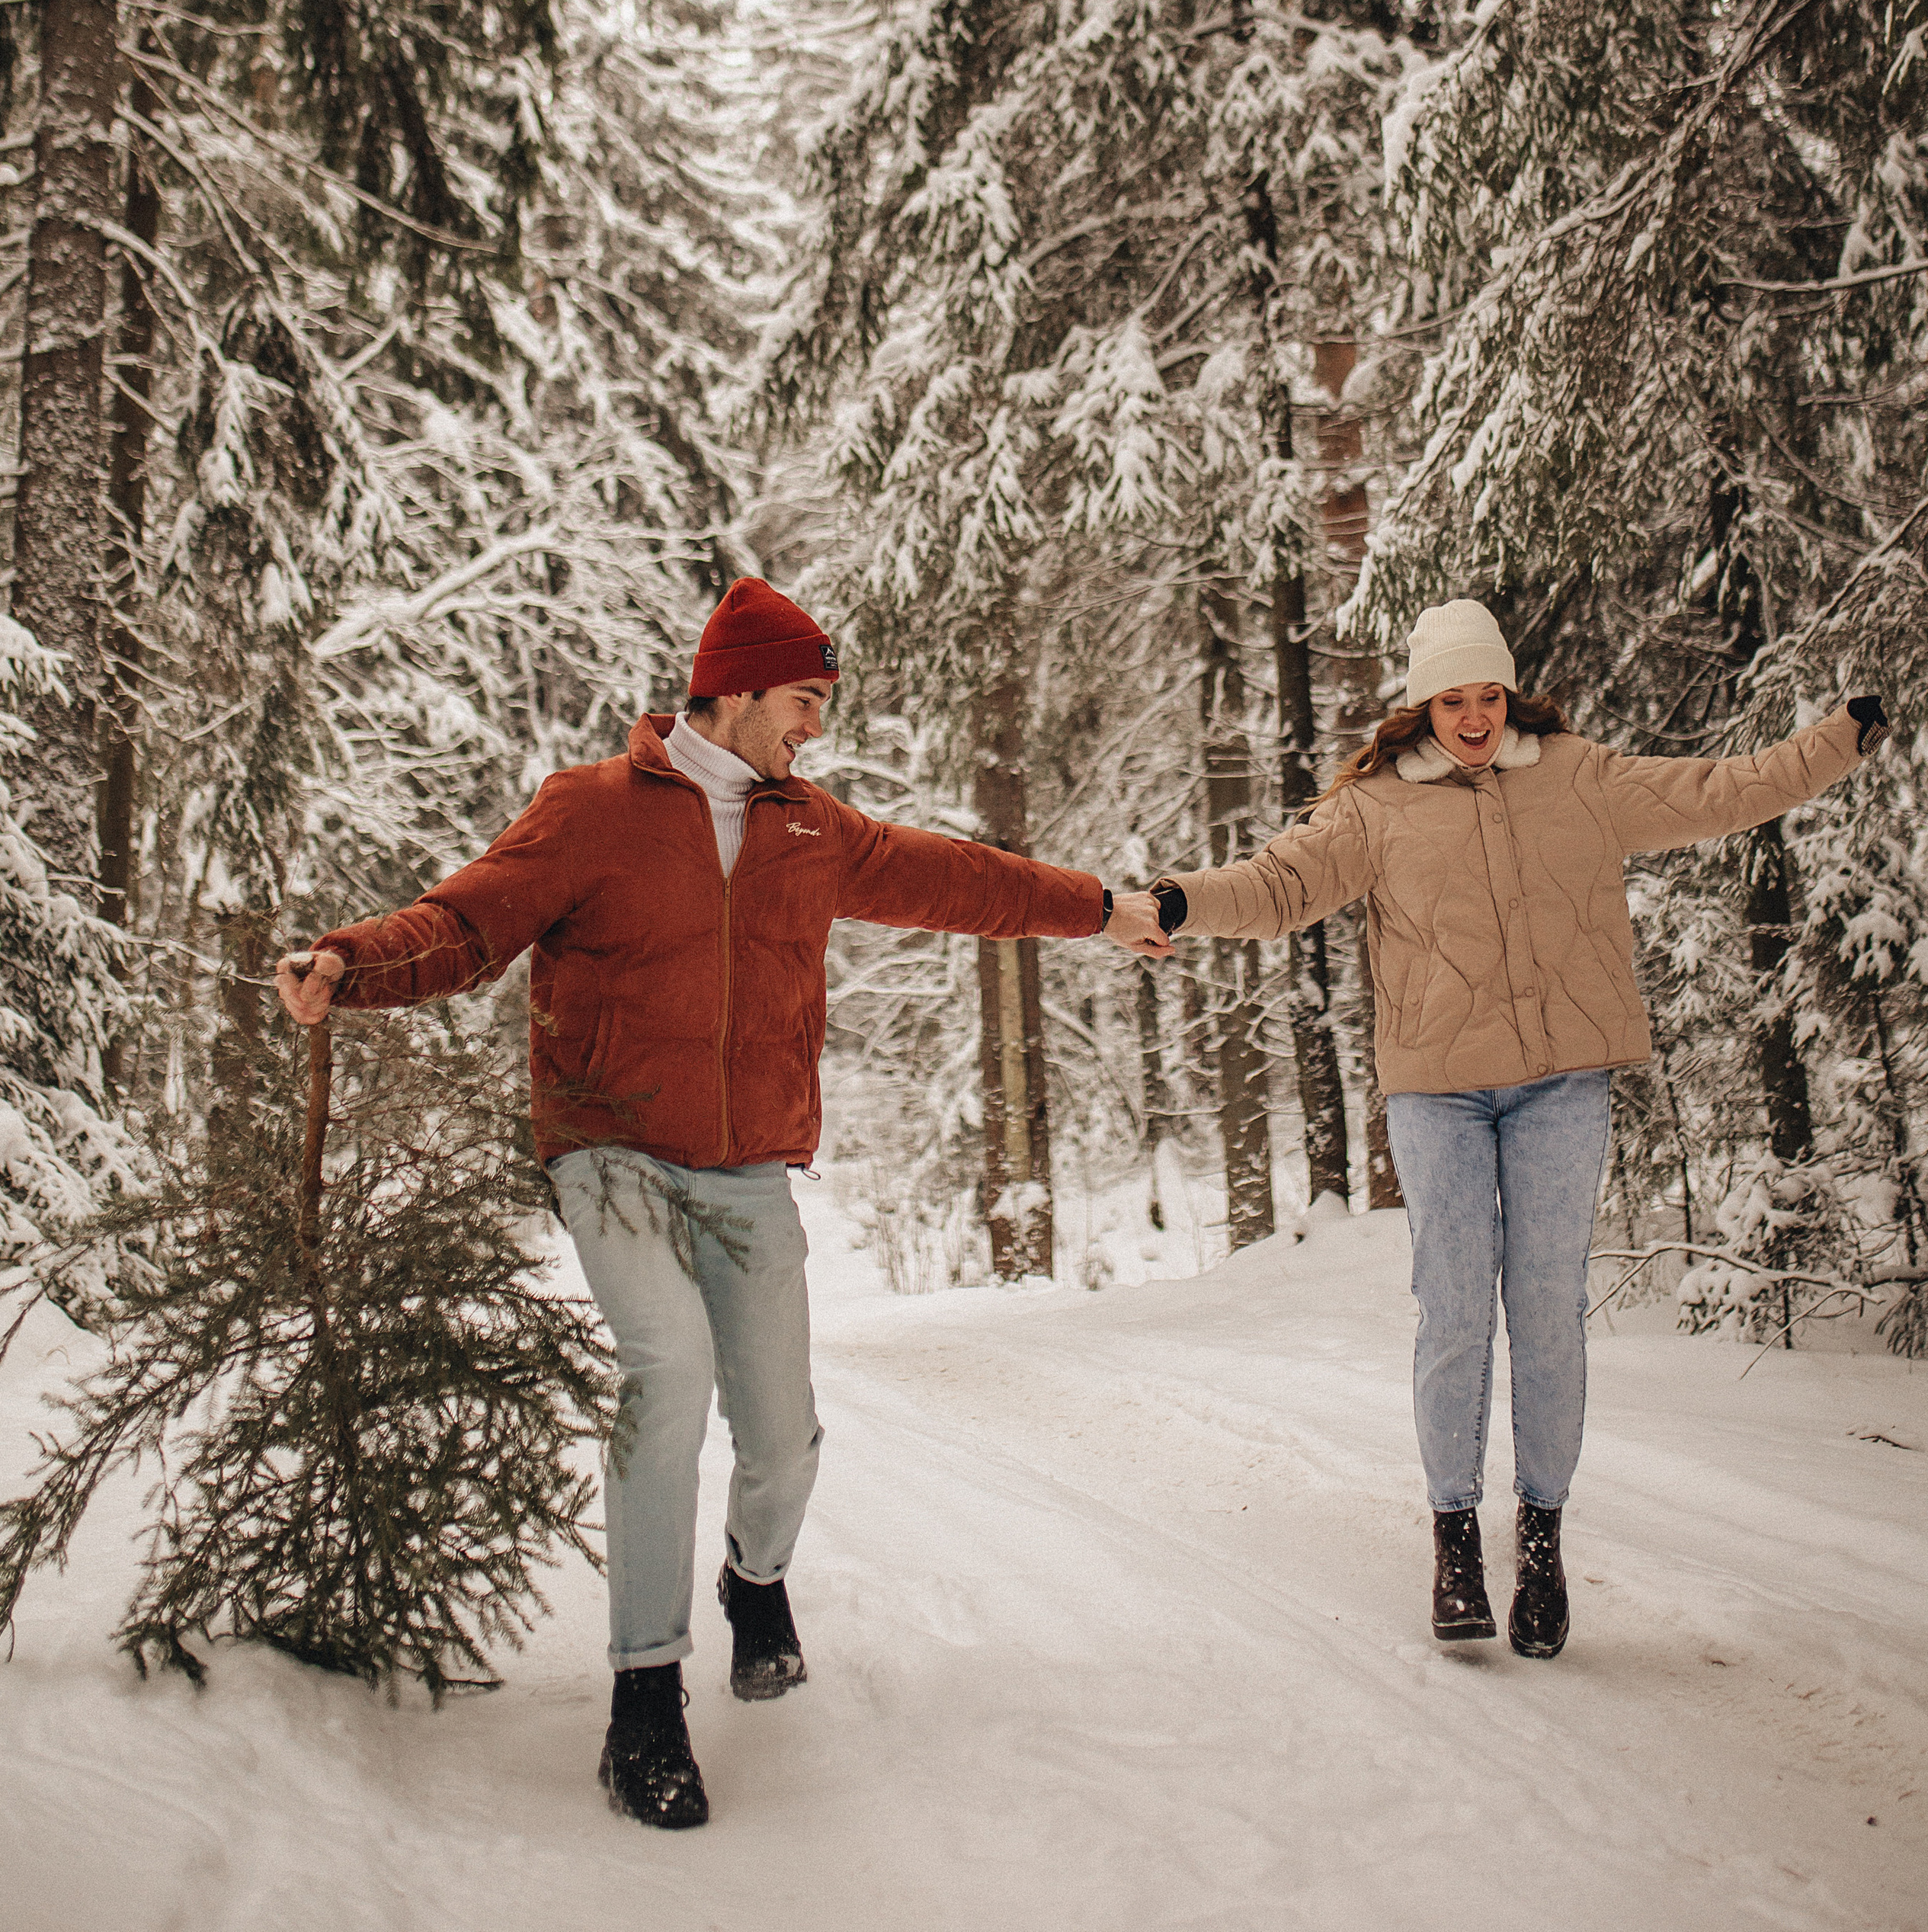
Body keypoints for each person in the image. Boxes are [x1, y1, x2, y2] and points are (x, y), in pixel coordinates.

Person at [277, 576, 1161, 1826]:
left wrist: (1104, 911)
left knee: (786, 1431)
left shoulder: (812, 828)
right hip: (613, 1146)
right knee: (666, 1368)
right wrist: (347, 966)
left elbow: (962, 880)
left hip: (747, 1166)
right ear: (735, 688)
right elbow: (468, 923)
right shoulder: (591, 811)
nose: (815, 728)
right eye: (804, 701)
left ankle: (757, 1581)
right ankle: (644, 1700)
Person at [1135, 598, 1889, 1659]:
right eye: (1454, 698)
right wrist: (1180, 900)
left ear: (1509, 694)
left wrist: (1834, 743)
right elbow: (1279, 884)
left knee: (1546, 1311)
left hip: (1561, 1087)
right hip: (1438, 1093)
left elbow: (1722, 790)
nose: (1476, 715)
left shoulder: (1581, 777)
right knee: (1453, 1310)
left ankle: (1540, 1542)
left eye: (1489, 694)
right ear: (1422, 705)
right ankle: (1454, 1545)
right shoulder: (1373, 809)